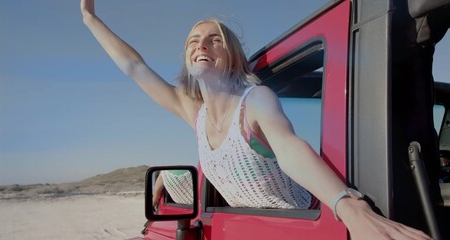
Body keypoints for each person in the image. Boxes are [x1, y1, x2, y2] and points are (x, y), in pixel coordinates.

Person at [80, 0, 432, 239]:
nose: (201, 44)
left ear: (232, 56)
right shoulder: (195, 114)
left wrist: (350, 208)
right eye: (193, 41)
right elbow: (135, 67)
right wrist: (90, 19)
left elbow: (290, 148)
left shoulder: (255, 101)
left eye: (214, 39)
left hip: (308, 221)